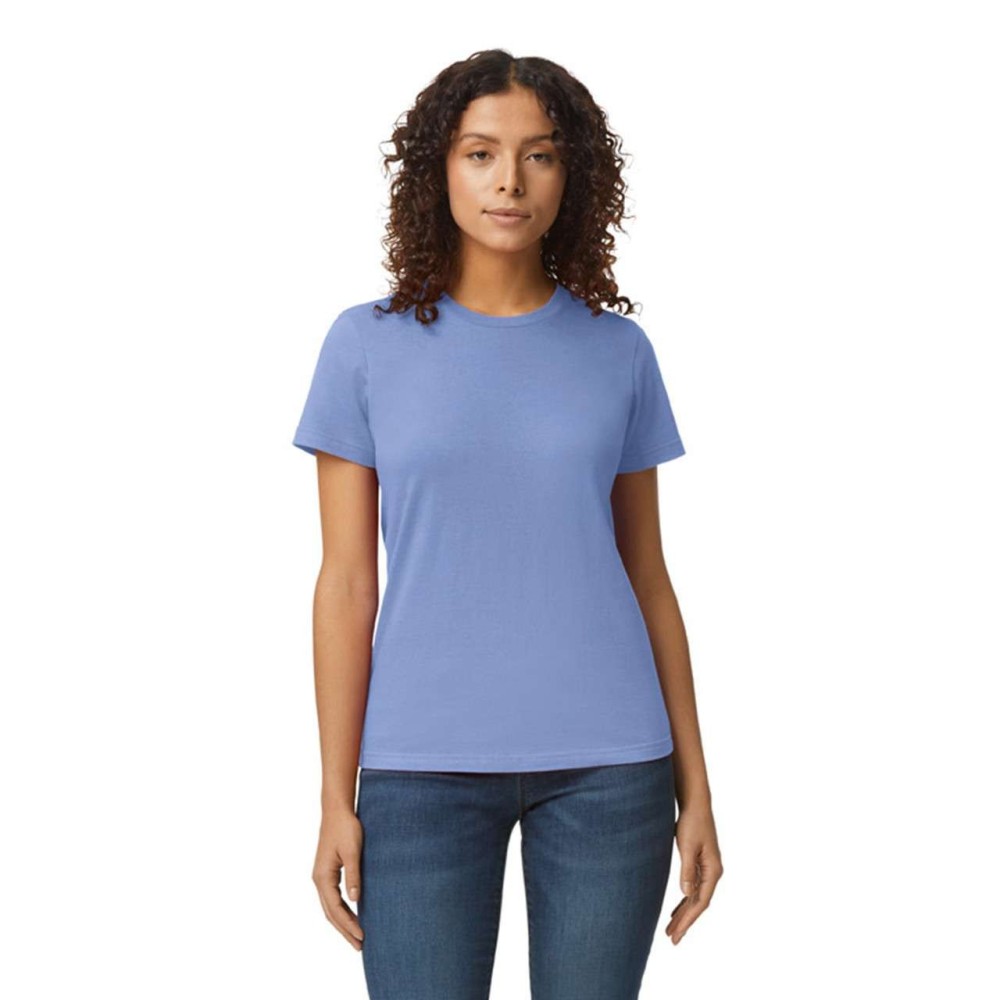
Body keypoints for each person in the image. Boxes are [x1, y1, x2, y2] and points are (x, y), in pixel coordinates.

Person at [292, 49, 723, 1000]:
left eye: (540, 154)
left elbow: (648, 577)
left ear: (573, 176)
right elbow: (347, 584)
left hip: (613, 766)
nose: (509, 182)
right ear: (438, 170)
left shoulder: (619, 352)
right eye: (481, 152)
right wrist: (333, 795)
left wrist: (697, 787)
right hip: (418, 771)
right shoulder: (363, 345)